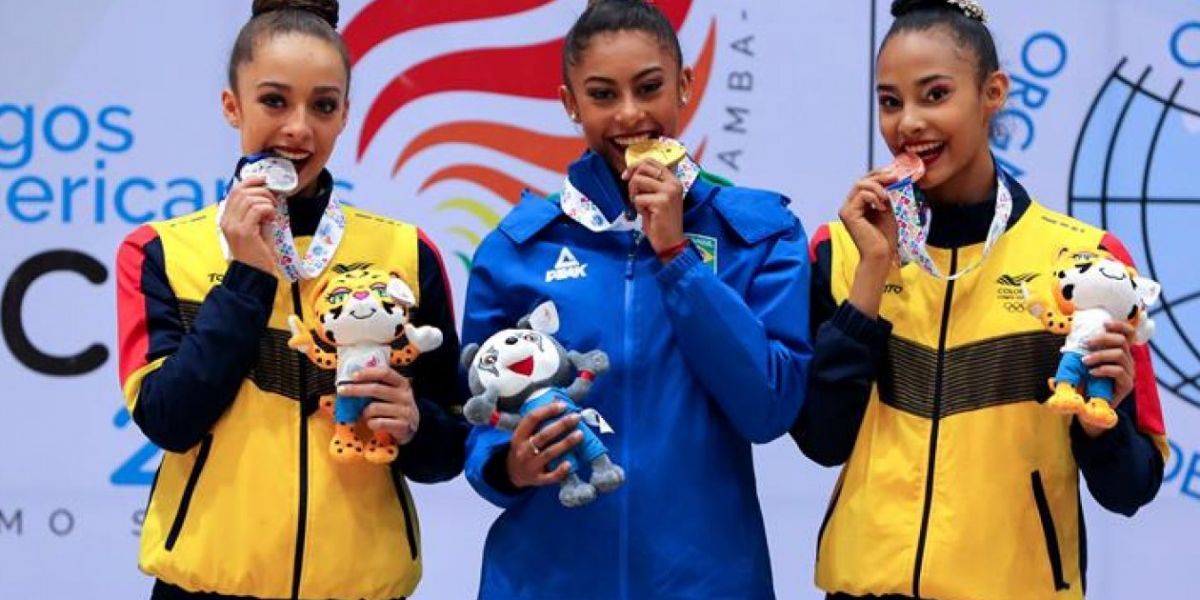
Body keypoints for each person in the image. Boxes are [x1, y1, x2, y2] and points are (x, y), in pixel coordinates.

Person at [791, 1, 1169, 599]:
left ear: (992, 92)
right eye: (890, 102)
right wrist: (871, 276)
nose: (908, 122)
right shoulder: (838, 252)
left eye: (934, 95)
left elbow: (1131, 489)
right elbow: (821, 442)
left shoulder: (1084, 261)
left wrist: (1103, 428)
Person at [459, 0, 813, 598]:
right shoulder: (515, 248)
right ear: (570, 102)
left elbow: (768, 407)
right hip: (545, 580)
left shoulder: (759, 234)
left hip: (706, 581)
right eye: (602, 95)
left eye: (649, 87)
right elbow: (476, 417)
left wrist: (677, 257)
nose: (630, 114)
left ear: (685, 85)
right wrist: (508, 464)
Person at [115, 1, 467, 598]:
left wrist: (414, 424)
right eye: (274, 101)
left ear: (344, 115)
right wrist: (248, 273)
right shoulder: (159, 252)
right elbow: (169, 419)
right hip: (207, 587)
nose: (299, 128)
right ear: (233, 106)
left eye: (323, 105)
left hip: (360, 588)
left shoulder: (407, 252)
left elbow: (448, 453)